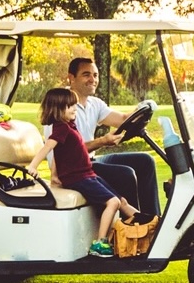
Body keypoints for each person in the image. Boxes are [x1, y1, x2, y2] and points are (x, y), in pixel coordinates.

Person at [26, 88, 140, 258]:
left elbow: (60, 153)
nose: (74, 109)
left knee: (121, 201)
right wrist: (33, 166)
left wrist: (55, 176)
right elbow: (48, 148)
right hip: (78, 177)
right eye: (69, 106)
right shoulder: (61, 128)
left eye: (74, 105)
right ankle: (100, 244)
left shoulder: (69, 125)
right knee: (113, 202)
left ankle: (149, 224)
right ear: (57, 110)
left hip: (87, 174)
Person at [55, 57, 162, 215]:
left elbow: (123, 120)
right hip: (72, 170)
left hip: (90, 161)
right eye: (86, 75)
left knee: (145, 161)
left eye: (95, 75)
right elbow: (67, 153)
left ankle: (152, 221)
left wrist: (144, 108)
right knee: (124, 174)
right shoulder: (60, 105)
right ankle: (133, 229)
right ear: (71, 78)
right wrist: (103, 141)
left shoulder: (94, 103)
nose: (93, 79)